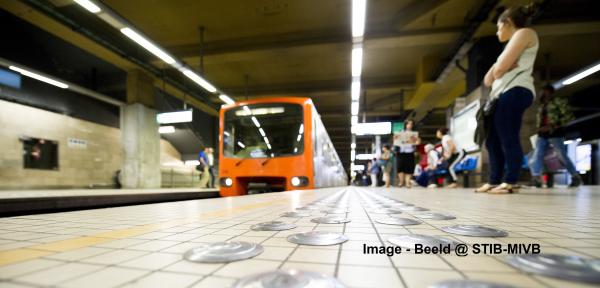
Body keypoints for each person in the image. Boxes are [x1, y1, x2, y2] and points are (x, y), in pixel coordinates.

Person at [476, 3, 539, 194]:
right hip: (501, 94)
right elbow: (487, 79)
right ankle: (495, 179)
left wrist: (501, 67)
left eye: (499, 27)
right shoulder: (510, 46)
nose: (497, 33)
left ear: (508, 22)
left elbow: (500, 68)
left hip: (517, 89)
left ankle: (511, 180)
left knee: (508, 135)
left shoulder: (525, 33)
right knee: (493, 139)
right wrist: (501, 67)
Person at [529, 85, 582, 188]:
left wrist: (553, 126)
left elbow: (568, 117)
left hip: (555, 133)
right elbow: (540, 119)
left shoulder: (558, 102)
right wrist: (539, 128)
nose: (543, 93)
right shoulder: (542, 105)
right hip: (542, 134)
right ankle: (536, 178)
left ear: (550, 92)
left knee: (561, 155)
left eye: (545, 91)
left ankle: (575, 177)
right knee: (537, 154)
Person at [396, 119, 420, 188]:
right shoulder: (400, 132)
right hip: (401, 152)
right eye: (408, 124)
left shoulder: (414, 133)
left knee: (409, 168)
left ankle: (407, 183)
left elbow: (418, 142)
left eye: (411, 124)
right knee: (400, 167)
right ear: (405, 125)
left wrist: (417, 142)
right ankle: (401, 182)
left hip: (410, 152)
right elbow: (396, 141)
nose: (410, 125)